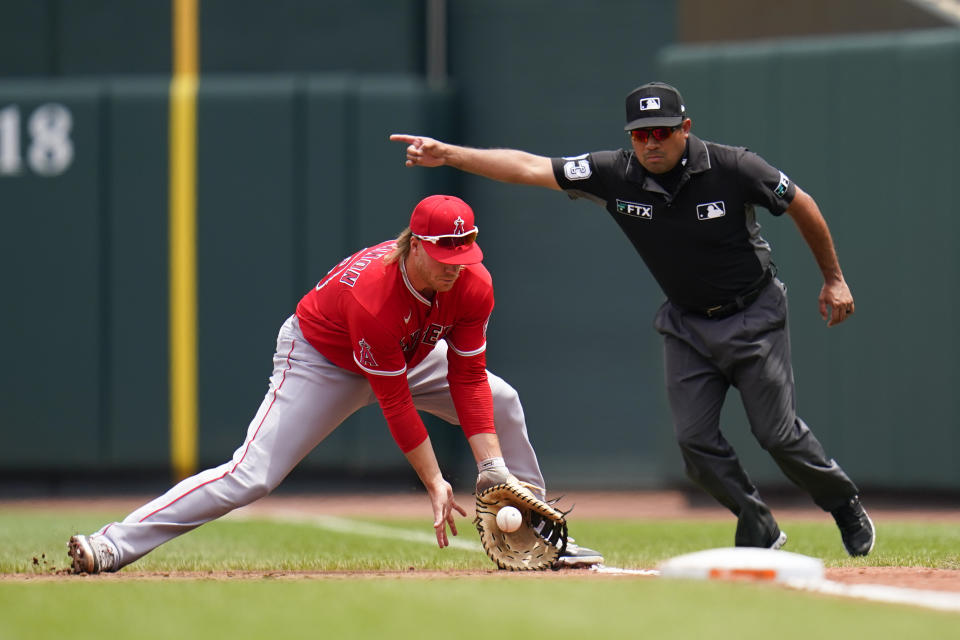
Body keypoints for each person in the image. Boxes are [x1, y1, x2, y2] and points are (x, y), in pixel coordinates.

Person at [390, 82, 875, 556]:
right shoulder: (615, 174)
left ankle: (843, 503)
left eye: (661, 131)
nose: (651, 143)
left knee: (777, 435)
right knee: (694, 445)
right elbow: (529, 167)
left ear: (685, 128)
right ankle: (757, 520)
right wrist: (450, 154)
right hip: (687, 325)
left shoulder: (734, 166)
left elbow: (801, 204)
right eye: (640, 134)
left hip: (754, 313)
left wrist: (834, 278)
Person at [67, 194, 602, 574]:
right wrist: (436, 481)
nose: (454, 268)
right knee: (252, 475)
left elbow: (467, 376)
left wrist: (490, 470)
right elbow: (393, 402)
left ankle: (539, 534)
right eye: (444, 257)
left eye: (462, 256)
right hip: (322, 358)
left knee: (502, 399)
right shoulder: (375, 295)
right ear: (414, 246)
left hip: (408, 349)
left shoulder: (473, 284)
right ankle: (113, 543)